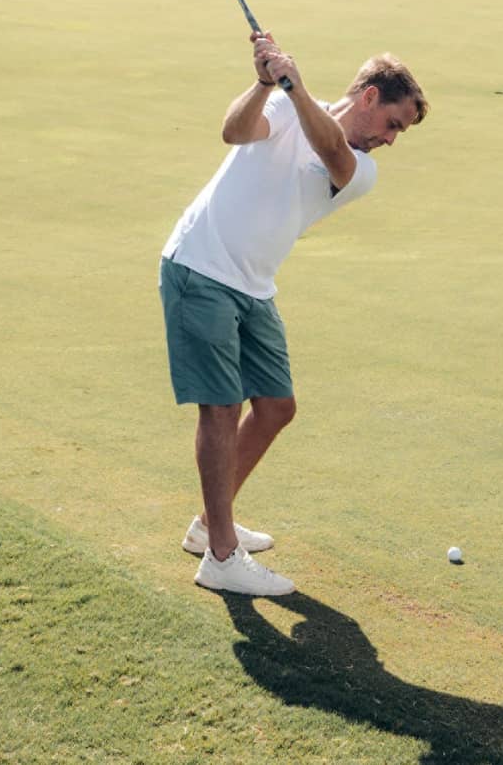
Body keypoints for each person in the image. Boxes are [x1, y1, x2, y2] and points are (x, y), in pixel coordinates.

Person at [159, 32, 428, 597]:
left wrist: (295, 85)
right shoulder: (281, 104)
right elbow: (234, 131)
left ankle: (210, 524)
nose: (391, 140)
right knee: (222, 408)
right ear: (369, 97)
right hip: (202, 265)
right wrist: (264, 85)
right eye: (394, 125)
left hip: (253, 286)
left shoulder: (358, 165)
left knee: (277, 407)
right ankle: (222, 556)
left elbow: (330, 150)